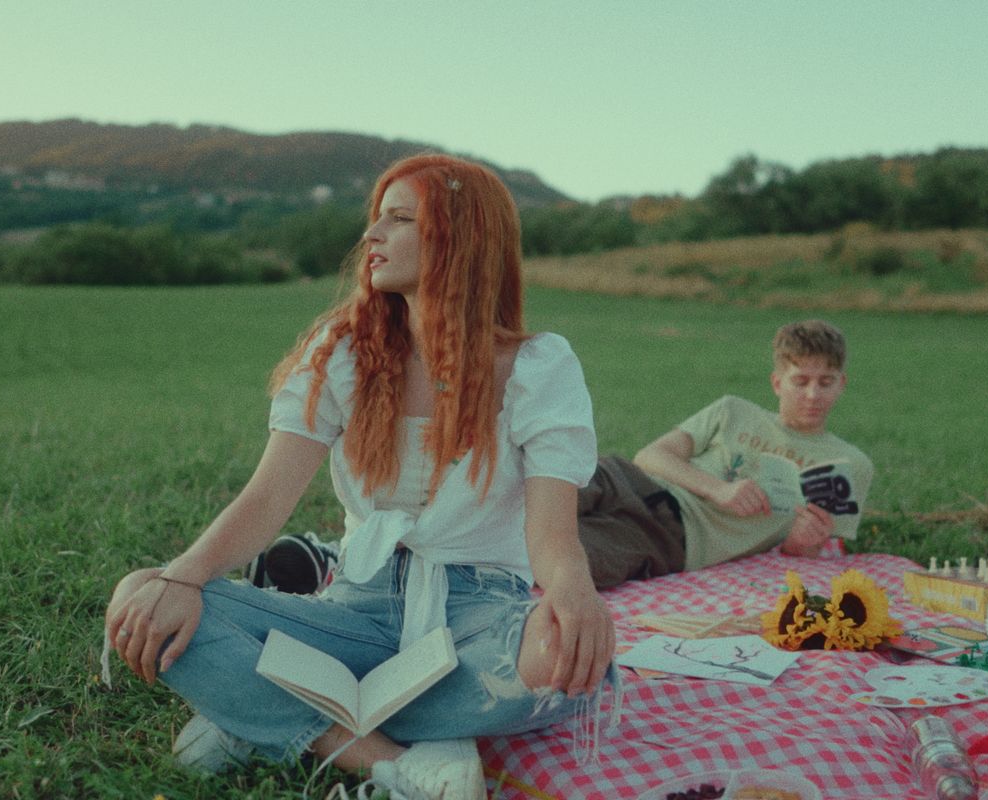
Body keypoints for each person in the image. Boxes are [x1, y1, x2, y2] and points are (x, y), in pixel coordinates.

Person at [104, 154, 614, 800]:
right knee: (141, 595)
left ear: (461, 239)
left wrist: (574, 596)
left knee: (558, 658)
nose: (371, 236)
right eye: (376, 219)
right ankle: (390, 765)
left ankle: (261, 715)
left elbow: (552, 535)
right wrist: (182, 575)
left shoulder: (539, 365)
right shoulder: (341, 352)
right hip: (358, 608)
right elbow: (266, 501)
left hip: (478, 614)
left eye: (399, 220)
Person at [576, 320, 873, 589]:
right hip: (634, 482)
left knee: (563, 554)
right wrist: (719, 489)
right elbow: (650, 456)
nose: (812, 395)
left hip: (673, 538)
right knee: (556, 483)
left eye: (825, 382)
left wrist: (802, 542)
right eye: (801, 381)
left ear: (841, 384)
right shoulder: (733, 410)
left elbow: (799, 555)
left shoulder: (849, 465)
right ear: (777, 382)